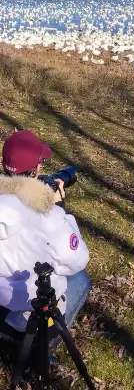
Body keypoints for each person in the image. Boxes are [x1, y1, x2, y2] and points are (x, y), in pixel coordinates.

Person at [0, 130, 90, 348]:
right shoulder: (50, 217)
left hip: (1, 304)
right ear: (37, 169)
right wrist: (60, 209)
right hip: (31, 318)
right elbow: (76, 259)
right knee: (82, 279)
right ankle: (41, 348)